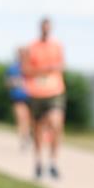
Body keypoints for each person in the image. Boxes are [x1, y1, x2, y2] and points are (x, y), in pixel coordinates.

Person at [23, 17, 66, 179]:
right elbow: (26, 70)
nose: (46, 30)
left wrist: (54, 69)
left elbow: (62, 65)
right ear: (40, 28)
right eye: (44, 28)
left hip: (55, 91)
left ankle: (53, 162)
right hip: (36, 92)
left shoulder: (57, 46)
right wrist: (44, 69)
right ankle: (38, 162)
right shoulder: (31, 47)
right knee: (38, 129)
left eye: (49, 28)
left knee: (56, 124)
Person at [5, 47, 32, 151]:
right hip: (17, 97)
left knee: (28, 119)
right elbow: (7, 83)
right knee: (21, 118)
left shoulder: (31, 67)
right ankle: (23, 140)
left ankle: (27, 136)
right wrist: (14, 83)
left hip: (31, 97)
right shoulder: (13, 68)